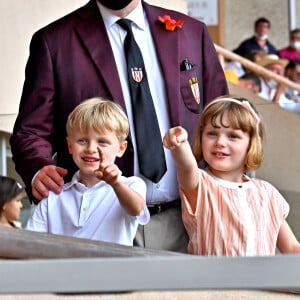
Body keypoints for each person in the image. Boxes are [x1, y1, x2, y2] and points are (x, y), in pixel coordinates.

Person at [10, 0, 228, 252]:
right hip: (100, 227)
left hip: (189, 221)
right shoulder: (54, 41)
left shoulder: (192, 31)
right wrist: (38, 168)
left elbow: (220, 110)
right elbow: (31, 131)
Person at [163, 96, 300, 256]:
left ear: (252, 144)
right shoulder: (200, 185)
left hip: (262, 281)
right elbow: (186, 165)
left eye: (233, 136)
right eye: (212, 133)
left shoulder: (268, 193)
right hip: (213, 281)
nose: (220, 142)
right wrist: (180, 143)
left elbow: (291, 247)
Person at [26, 97, 150, 246]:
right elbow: (30, 245)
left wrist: (116, 183)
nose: (91, 149)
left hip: (113, 270)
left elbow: (136, 208)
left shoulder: (131, 185)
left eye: (102, 142)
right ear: (70, 146)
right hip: (62, 269)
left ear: (121, 148)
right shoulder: (53, 197)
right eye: (82, 140)